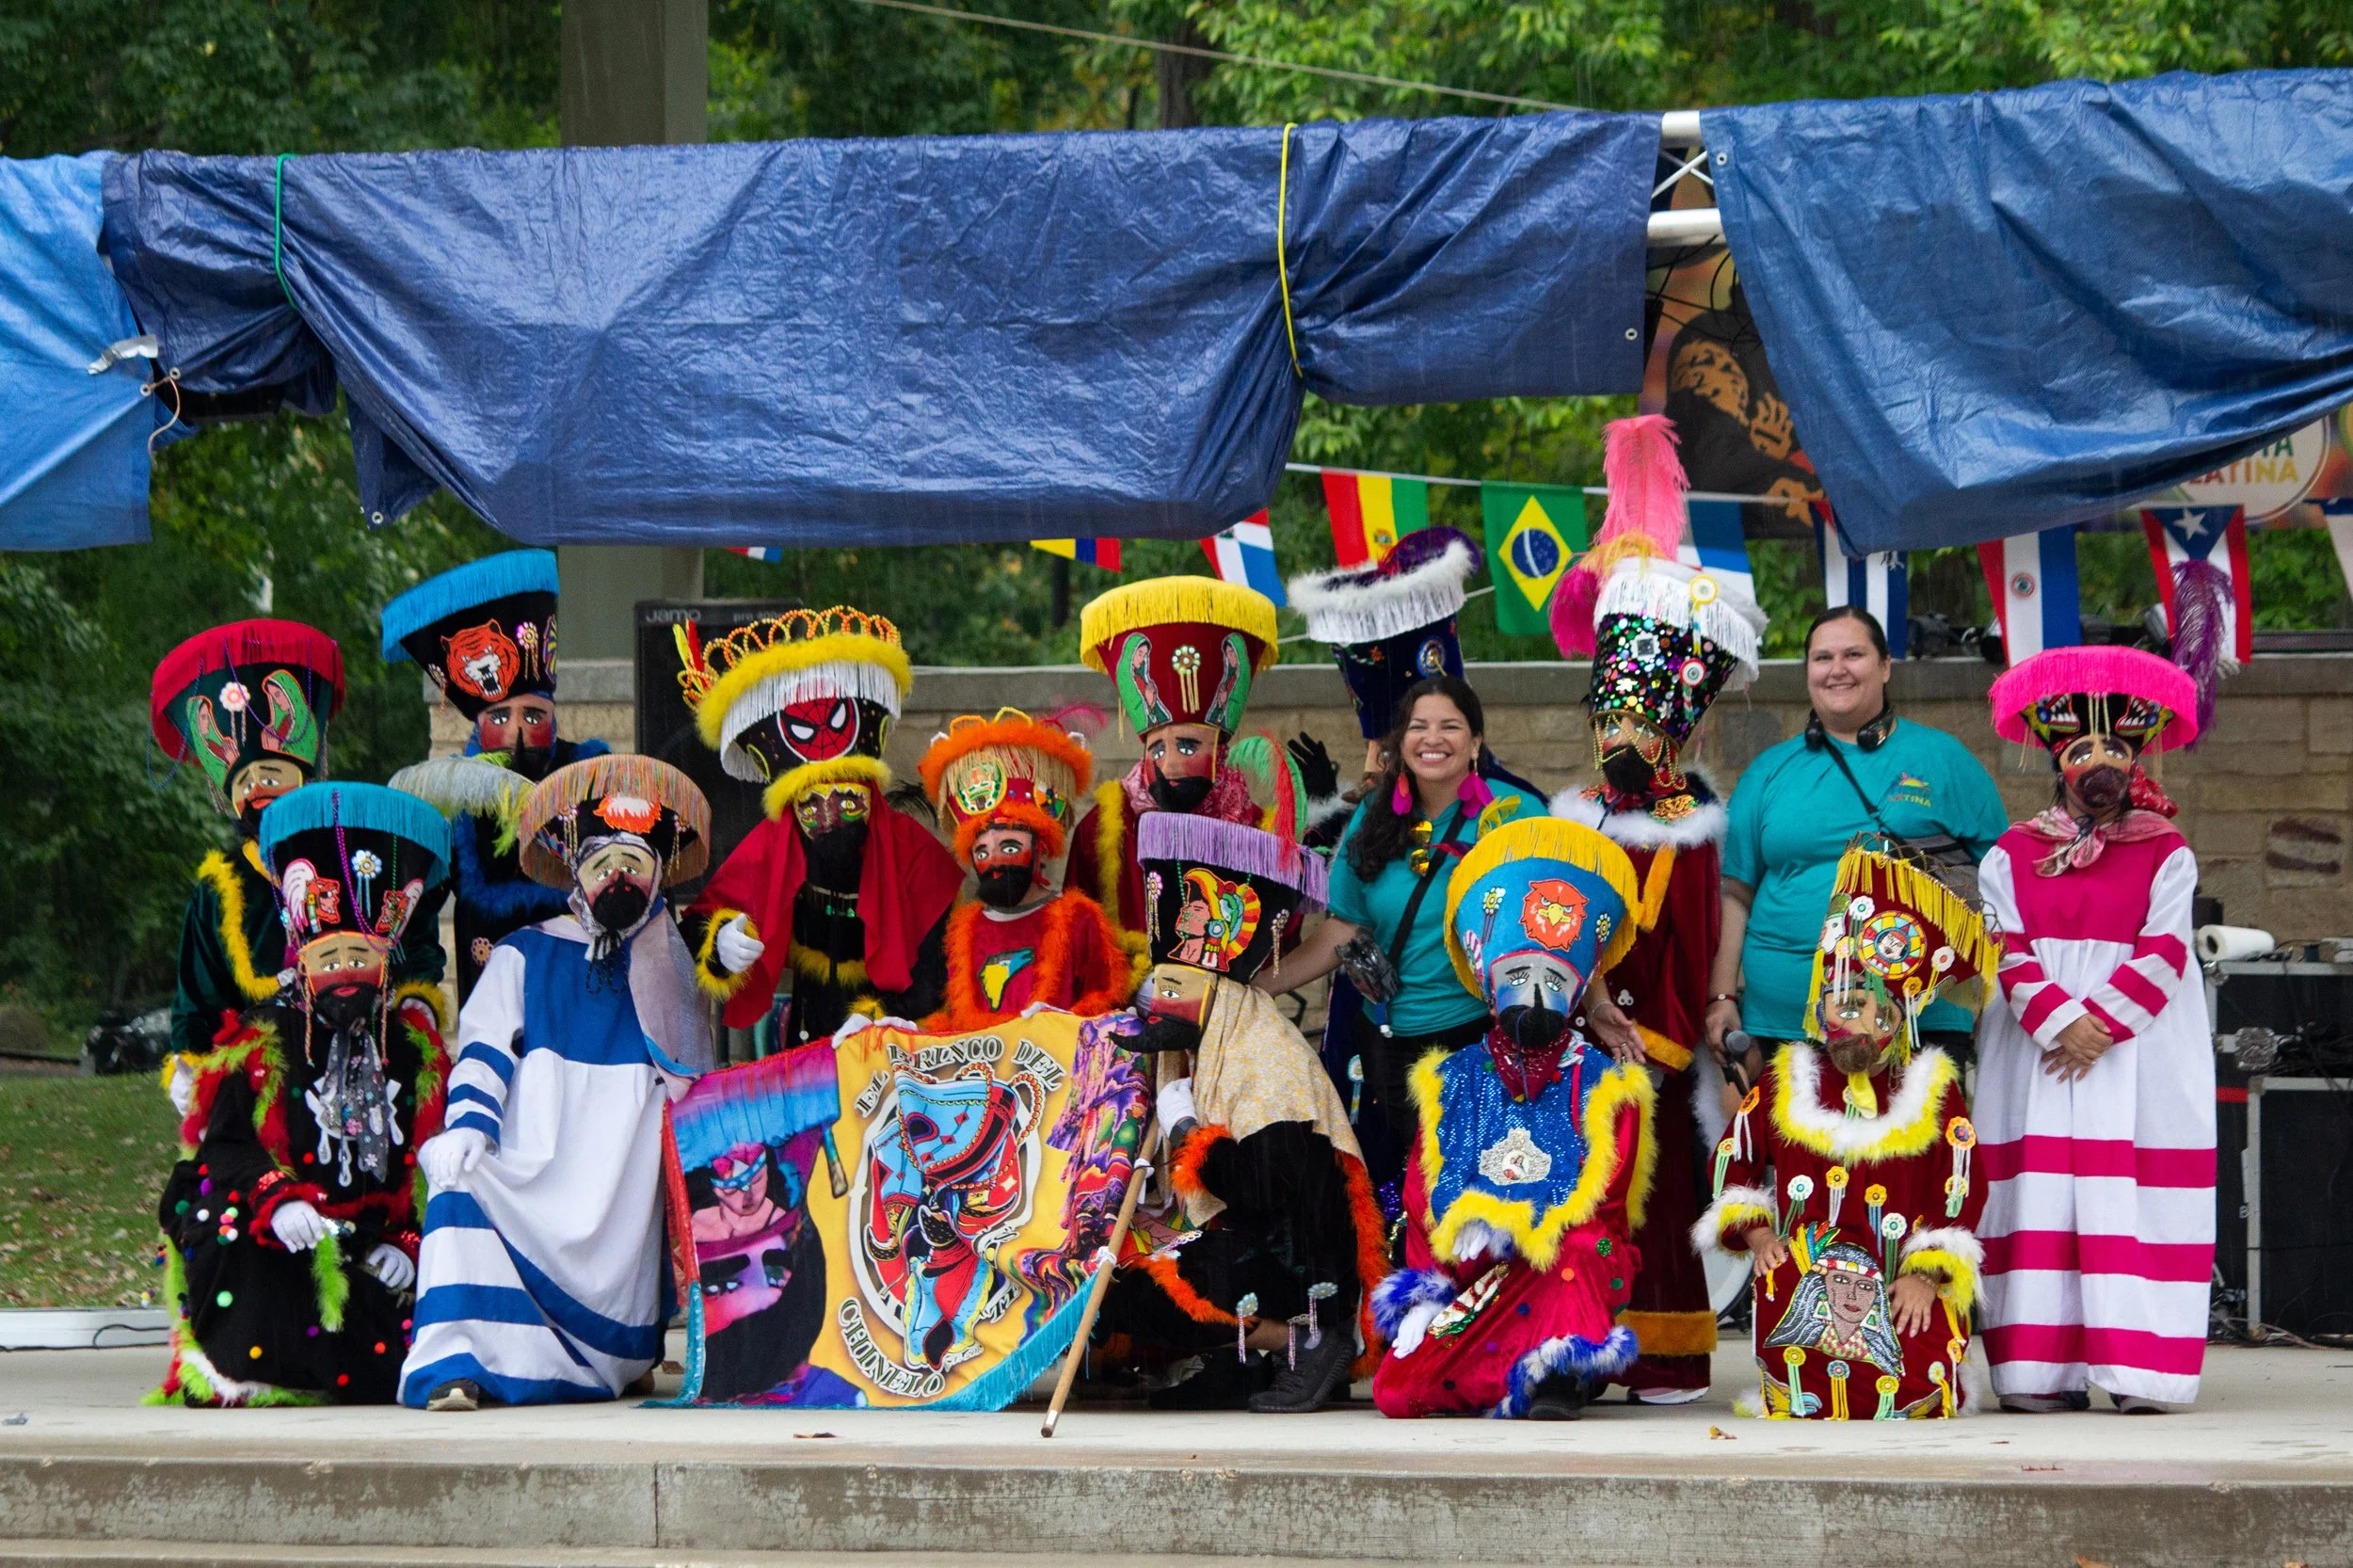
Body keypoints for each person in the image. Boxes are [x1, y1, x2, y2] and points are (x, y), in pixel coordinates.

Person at [1547, 413, 1767, 1403]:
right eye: (1608, 715)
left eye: (1638, 715)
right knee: (1579, 1200)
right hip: (1571, 1045)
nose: (1620, 732)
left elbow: (1691, 933)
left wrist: (1664, 1035)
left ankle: (1669, 1351)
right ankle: (1580, 1344)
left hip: (1661, 1049)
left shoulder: (1698, 823)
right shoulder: (1574, 814)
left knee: (1662, 1190)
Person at [401, 756, 715, 1410]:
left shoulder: (671, 964)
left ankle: (616, 1354)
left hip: (621, 1190)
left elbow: (695, 1084)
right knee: (459, 1176)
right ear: (579, 875)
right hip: (541, 1160)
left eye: (633, 863)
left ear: (657, 875)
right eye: (603, 865)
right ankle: (460, 1360)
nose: (618, 878)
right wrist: (469, 1126)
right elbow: (484, 1047)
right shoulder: (526, 949)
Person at [155, 782, 452, 1405]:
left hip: (366, 1239)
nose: (346, 969)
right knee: (225, 1223)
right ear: (302, 960)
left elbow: (424, 1173)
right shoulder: (258, 1041)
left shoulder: (412, 1051)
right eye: (331, 955)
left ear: (386, 964)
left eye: (361, 955)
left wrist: (409, 1242)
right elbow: (225, 1150)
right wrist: (280, 1202)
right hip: (279, 1229)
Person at [1973, 647, 2212, 1414]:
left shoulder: (2167, 851)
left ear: (2137, 758)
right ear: (2058, 760)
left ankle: (2143, 1371)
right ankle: (2039, 1370)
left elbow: (2168, 948)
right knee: (2038, 1198)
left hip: (2135, 1049)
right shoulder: (2010, 853)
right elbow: (2004, 948)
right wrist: (2056, 1023)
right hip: (2038, 1051)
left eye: (2115, 746)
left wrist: (2096, 1027)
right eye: (2082, 748)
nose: (2100, 761)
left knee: (2135, 1198)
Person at [1095, 812, 1387, 1414]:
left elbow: (1267, 1188)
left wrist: (1186, 1131)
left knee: (1167, 1280)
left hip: (1299, 1269)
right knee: (1111, 1280)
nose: (1159, 998)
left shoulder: (1265, 1055)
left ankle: (1306, 1339)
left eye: (1174, 985)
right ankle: (1244, 1359)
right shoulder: (1195, 1049)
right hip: (1244, 1249)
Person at [1696, 842, 1998, 1419]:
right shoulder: (1788, 1081)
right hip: (1809, 1272)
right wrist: (1758, 1235)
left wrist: (1928, 1274)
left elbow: (1960, 1189)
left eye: (1861, 1005)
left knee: (1917, 1383)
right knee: (1793, 1334)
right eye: (1834, 1002)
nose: (1843, 1018)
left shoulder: (1934, 1090)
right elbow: (1733, 1160)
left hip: (1900, 1272)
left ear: (1895, 1014)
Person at [1371, 816, 1655, 1421]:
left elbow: (1604, 1204)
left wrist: (1520, 1223)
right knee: (1398, 1392)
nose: (1533, 993)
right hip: (1482, 1276)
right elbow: (1424, 1197)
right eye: (1518, 977)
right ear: (1490, 985)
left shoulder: (1606, 1086)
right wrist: (1433, 1281)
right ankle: (1526, 1366)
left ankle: (1560, 1370)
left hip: (1559, 1262)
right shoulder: (1451, 1080)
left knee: (1580, 1250)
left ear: (1577, 992)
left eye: (1553, 979)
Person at [1706, 606, 2007, 1079]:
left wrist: (1987, 995)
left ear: (1886, 666)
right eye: (1822, 658)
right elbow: (1737, 894)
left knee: (1913, 1153)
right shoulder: (1768, 771)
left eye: (1854, 654)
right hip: (1785, 1019)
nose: (1837, 669)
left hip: (1920, 1014)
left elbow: (2000, 885)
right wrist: (1722, 997)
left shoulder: (1946, 759)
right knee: (1797, 1153)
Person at [152, 619, 449, 1068]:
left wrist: (413, 1008)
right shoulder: (220, 891)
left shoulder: (361, 855)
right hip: (258, 1080)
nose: (258, 792)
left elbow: (416, 941)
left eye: (271, 777)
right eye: (245, 783)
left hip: (369, 1066)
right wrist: (195, 1069)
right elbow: (197, 1002)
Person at [1261, 677, 1540, 1153]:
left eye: (1450, 726)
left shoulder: (1516, 814)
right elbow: (1346, 925)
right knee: (1407, 1186)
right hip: (1387, 1040)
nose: (1432, 739)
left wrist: (1595, 1004)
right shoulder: (1373, 814)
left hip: (1482, 1038)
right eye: (1418, 726)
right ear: (1401, 740)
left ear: (1475, 742)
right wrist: (1260, 984)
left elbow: (1562, 923)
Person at [676, 607, 963, 1048]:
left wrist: (881, 1020)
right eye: (812, 805)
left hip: (896, 1038)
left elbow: (938, 973)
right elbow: (693, 926)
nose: (830, 816)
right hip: (806, 1026)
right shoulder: (774, 843)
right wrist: (720, 943)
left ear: (871, 795)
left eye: (849, 801)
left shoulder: (915, 854)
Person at [381, 549, 610, 1000]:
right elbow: (413, 905)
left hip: (580, 995)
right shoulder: (454, 798)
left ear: (552, 711)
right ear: (478, 724)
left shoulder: (589, 774)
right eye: (501, 717)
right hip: (490, 998)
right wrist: (415, 996)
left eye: (533, 714)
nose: (520, 731)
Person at [1064, 577, 1287, 950]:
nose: (1168, 764)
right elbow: (1077, 933)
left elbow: (1282, 931)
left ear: (1219, 751)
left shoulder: (1258, 831)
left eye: (1187, 747)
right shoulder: (1104, 827)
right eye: (1156, 750)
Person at [916, 707, 1134, 1031]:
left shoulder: (1079, 918)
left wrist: (1058, 1025)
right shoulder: (966, 927)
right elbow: (956, 1021)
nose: (995, 861)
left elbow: (1106, 1005)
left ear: (1041, 848)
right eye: (982, 852)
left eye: (1010, 847)